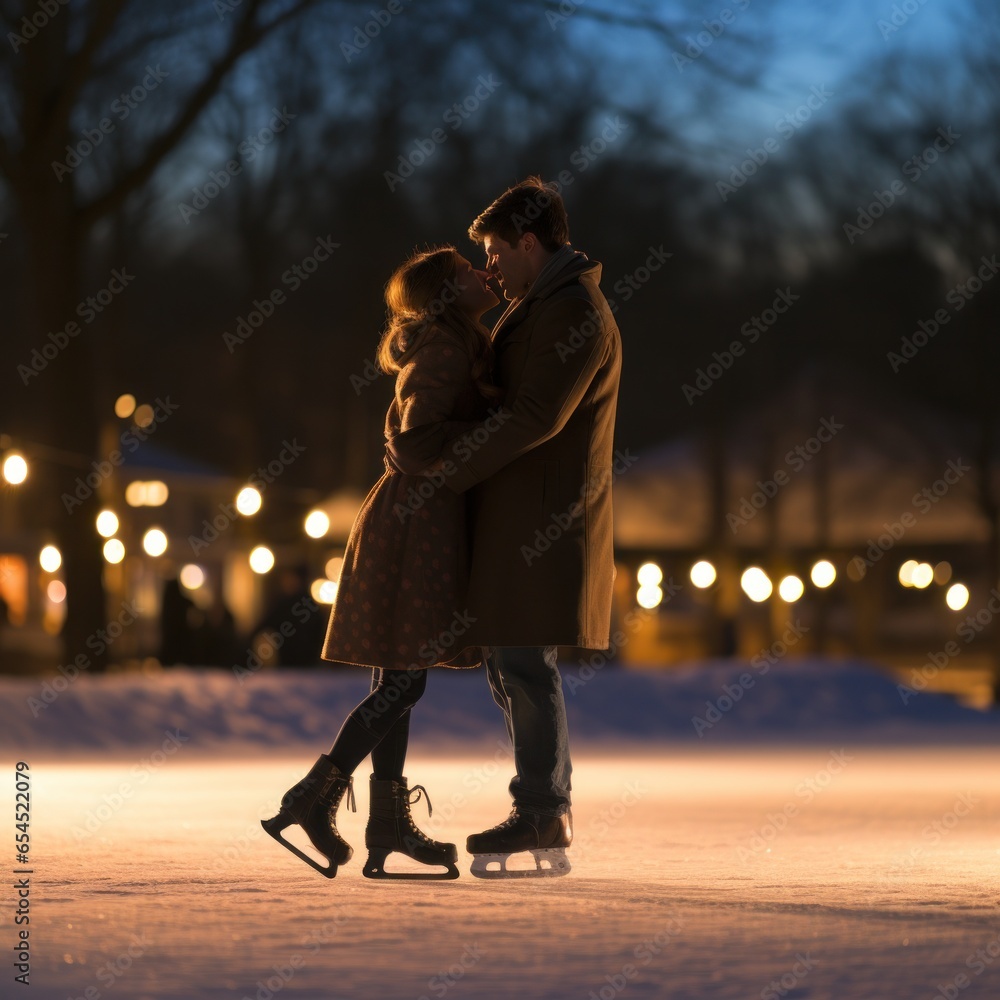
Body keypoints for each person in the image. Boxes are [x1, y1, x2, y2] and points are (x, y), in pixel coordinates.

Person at [391, 176, 621, 878]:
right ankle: (543, 805)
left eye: (494, 250)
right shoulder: (542, 303)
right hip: (521, 515)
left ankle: (544, 810)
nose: (489, 266)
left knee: (524, 664)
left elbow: (536, 415)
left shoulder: (573, 309)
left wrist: (444, 465)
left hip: (543, 520)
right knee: (511, 667)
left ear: (529, 243)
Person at [261, 246, 500, 880]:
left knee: (399, 679)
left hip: (419, 519)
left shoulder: (458, 344)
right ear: (448, 295)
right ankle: (315, 796)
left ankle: (385, 822)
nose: (485, 274)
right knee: (404, 679)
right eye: (469, 273)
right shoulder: (446, 350)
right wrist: (494, 437)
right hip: (415, 525)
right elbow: (417, 440)